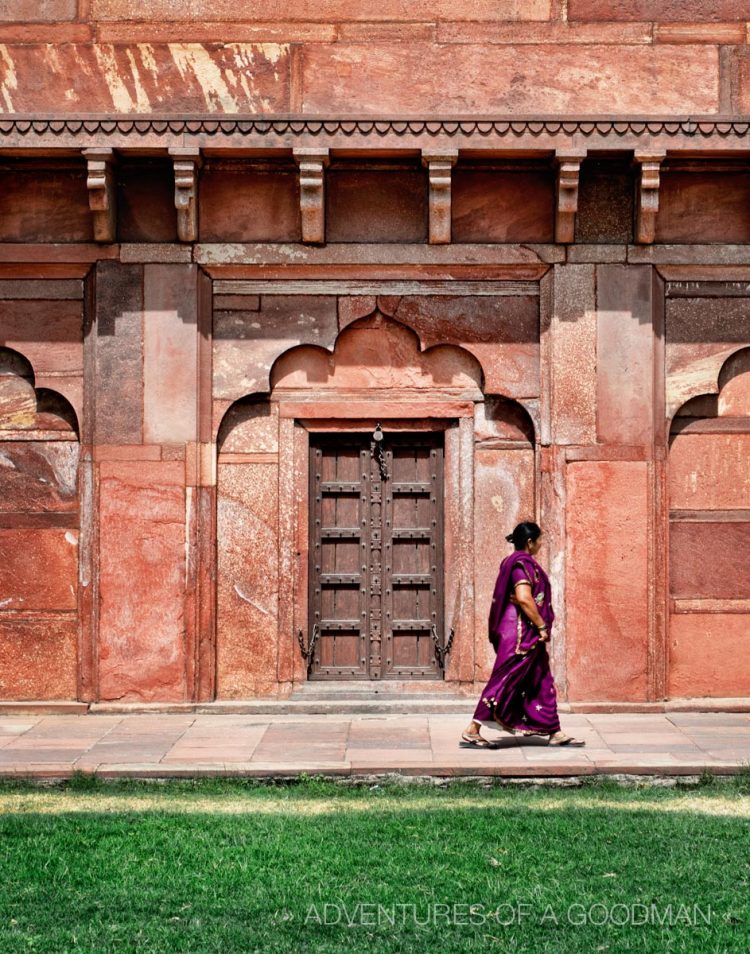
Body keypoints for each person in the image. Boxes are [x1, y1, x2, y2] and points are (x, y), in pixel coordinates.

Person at [460, 521, 585, 748]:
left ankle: (554, 731)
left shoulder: (516, 562)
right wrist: (541, 626)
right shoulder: (521, 565)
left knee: (541, 679)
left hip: (524, 632)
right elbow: (524, 597)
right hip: (519, 634)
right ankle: (472, 728)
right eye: (539, 541)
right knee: (504, 679)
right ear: (529, 542)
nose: (541, 544)